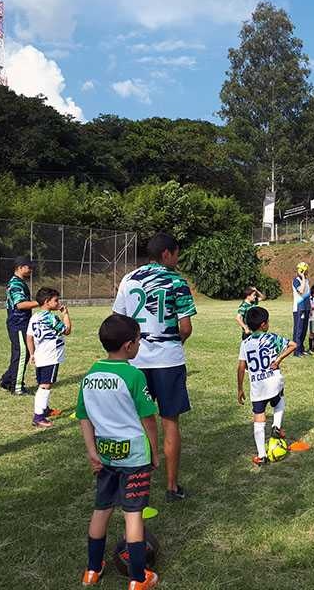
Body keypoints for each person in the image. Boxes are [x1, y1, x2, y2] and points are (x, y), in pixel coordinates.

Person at [77, 314, 160, 589]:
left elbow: (84, 417)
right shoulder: (134, 375)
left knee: (102, 509)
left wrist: (92, 451)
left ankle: (92, 570)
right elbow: (148, 418)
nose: (139, 345)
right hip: (134, 457)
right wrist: (155, 452)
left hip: (105, 454)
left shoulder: (89, 375)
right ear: (128, 345)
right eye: (138, 340)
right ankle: (138, 578)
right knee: (132, 515)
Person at [113, 232, 195, 502]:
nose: (178, 257)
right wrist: (170, 341)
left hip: (134, 361)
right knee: (170, 422)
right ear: (166, 254)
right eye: (177, 252)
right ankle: (172, 487)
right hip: (168, 361)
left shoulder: (128, 279)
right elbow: (185, 328)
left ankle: (138, 485)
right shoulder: (177, 281)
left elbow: (117, 321)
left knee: (139, 421)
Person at [237, 307, 297, 466]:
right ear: (263, 325)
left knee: (259, 418)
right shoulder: (271, 338)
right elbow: (293, 345)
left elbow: (241, 367)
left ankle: (262, 456)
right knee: (279, 401)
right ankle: (276, 426)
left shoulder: (245, 343)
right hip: (273, 381)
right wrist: (278, 360)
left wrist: (240, 388)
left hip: (257, 387)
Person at [27, 287, 72, 429]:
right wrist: (65, 314)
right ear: (47, 302)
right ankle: (38, 416)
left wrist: (32, 354)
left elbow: (29, 337)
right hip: (51, 356)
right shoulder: (51, 317)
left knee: (43, 382)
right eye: (56, 300)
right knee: (45, 385)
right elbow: (67, 330)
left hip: (40, 355)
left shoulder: (34, 317)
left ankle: (45, 409)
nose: (58, 302)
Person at [0, 256, 38, 395]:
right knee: (23, 354)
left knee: (19, 354)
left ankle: (6, 380)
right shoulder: (15, 284)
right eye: (29, 267)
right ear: (20, 267)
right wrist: (41, 302)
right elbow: (20, 304)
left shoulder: (18, 282)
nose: (31, 269)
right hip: (18, 324)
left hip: (20, 323)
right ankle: (17, 387)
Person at [291, 262, 311, 357]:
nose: (306, 272)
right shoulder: (296, 280)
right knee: (298, 330)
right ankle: (296, 350)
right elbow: (301, 291)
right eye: (304, 270)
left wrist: (310, 308)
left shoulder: (306, 280)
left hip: (306, 307)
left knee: (304, 329)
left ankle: (301, 348)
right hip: (299, 308)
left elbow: (308, 294)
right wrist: (302, 277)